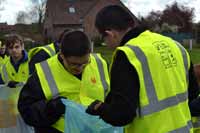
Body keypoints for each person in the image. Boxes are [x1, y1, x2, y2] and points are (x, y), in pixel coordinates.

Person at [86, 5, 199, 132]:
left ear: (110, 34)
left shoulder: (127, 55)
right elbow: (193, 94)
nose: (106, 45)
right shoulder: (175, 45)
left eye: (103, 40)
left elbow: (122, 115)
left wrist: (100, 108)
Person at [18, 30, 110, 133]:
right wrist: (52, 108)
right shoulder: (43, 72)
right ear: (62, 55)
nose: (80, 68)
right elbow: (26, 111)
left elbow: (112, 97)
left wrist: (103, 108)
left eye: (85, 62)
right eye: (74, 64)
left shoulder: (100, 63)